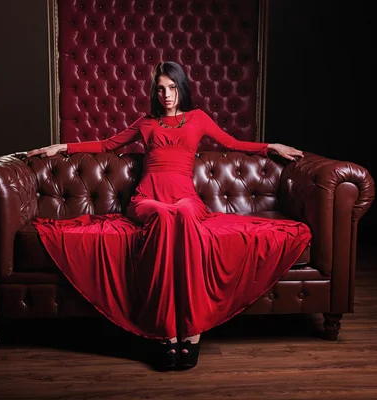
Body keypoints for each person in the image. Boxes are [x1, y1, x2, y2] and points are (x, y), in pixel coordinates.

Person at [26, 61, 311, 371]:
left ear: (181, 89)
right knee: (163, 216)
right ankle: (165, 331)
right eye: (160, 89)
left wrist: (272, 146)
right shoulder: (146, 123)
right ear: (154, 92)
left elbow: (233, 143)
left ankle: (192, 328)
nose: (166, 94)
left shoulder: (198, 119)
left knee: (184, 214)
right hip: (147, 200)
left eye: (172, 88)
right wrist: (61, 147)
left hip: (186, 199)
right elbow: (107, 144)